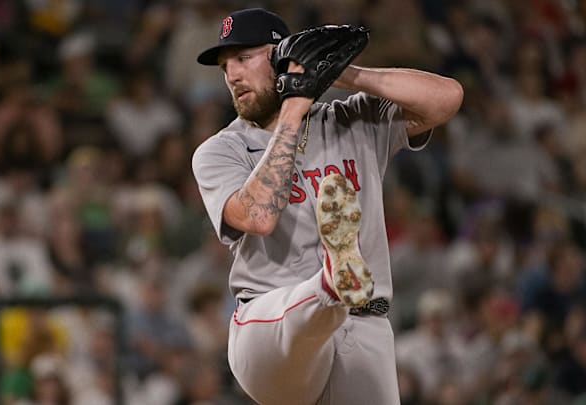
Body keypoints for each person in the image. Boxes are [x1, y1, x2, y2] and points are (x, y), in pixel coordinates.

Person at [191, 8, 463, 405]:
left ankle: (337, 282)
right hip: (268, 329)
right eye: (225, 65)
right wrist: (294, 107)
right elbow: (258, 216)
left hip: (364, 325)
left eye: (244, 58)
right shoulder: (220, 150)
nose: (232, 74)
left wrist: (339, 72)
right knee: (309, 310)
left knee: (342, 311)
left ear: (282, 56)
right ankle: (333, 280)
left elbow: (447, 99)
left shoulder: (350, 119)